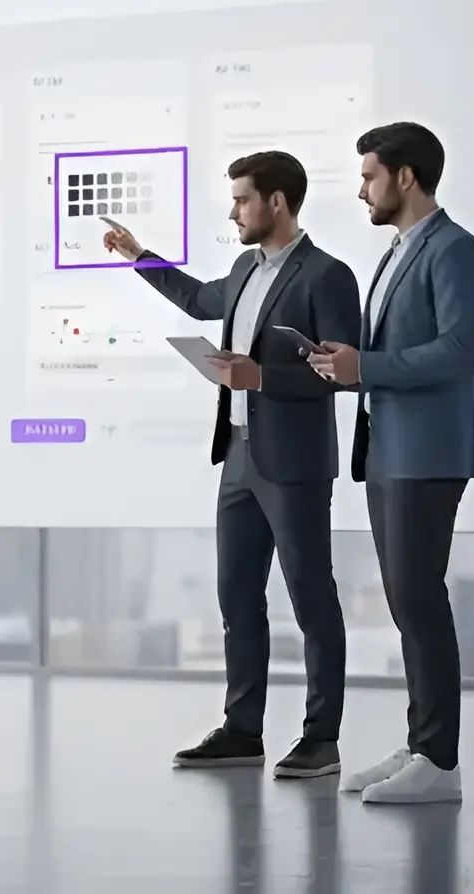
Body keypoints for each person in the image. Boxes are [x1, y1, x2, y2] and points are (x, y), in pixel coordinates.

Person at [104, 151, 360, 779]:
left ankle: (321, 740)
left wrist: (261, 376)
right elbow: (199, 300)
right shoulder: (246, 267)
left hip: (295, 461)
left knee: (311, 598)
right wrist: (141, 256)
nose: (234, 210)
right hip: (240, 453)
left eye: (243, 199)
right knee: (237, 597)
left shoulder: (328, 276)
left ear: (277, 201)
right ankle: (243, 729)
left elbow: (341, 376)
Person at [309, 122, 474, 804]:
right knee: (405, 601)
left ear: (405, 177)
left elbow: (458, 351)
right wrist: (345, 366)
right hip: (388, 449)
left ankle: (440, 761)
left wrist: (371, 366)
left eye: (369, 177)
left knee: (419, 598)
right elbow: (390, 351)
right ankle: (422, 745)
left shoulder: (457, 251)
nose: (362, 191)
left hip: (428, 452)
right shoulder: (394, 254)